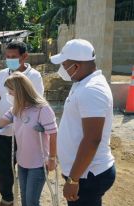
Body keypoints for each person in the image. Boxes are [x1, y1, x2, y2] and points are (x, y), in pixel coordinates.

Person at [0, 72, 57, 206]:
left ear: (20, 91)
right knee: (25, 199)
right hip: (22, 162)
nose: (9, 95)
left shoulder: (42, 109)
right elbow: (0, 122)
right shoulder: (16, 109)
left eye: (11, 92)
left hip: (38, 164)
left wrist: (52, 159)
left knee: (32, 202)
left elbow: (53, 134)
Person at [0, 41, 44, 206]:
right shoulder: (1, 75)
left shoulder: (34, 76)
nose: (9, 60)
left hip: (25, 133)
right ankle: (7, 198)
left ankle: (28, 200)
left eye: (14, 57)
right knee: (4, 168)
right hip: (3, 131)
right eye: (7, 57)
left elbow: (37, 104)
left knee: (25, 168)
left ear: (24, 57)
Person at [50, 39, 115, 206]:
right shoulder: (82, 82)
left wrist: (73, 180)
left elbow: (92, 139)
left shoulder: (91, 90)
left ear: (76, 66)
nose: (62, 68)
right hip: (83, 173)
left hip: (88, 175)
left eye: (64, 64)